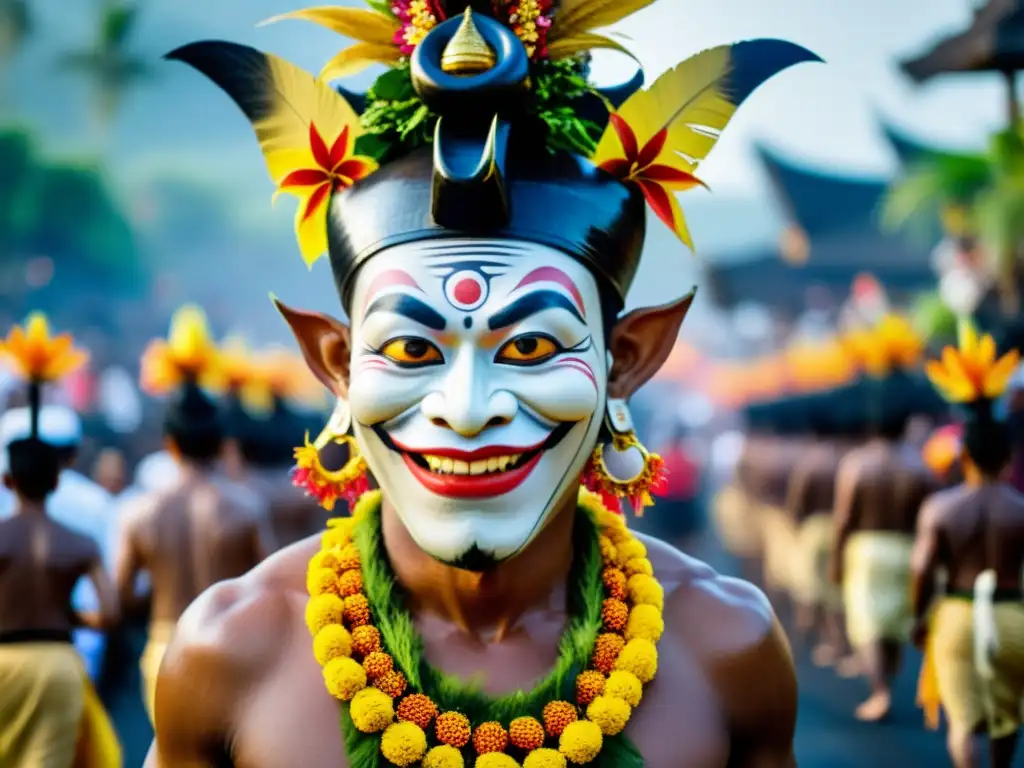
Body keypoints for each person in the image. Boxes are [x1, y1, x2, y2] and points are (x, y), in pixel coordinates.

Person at [148, 6, 816, 765]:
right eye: (409, 348)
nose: (465, 411)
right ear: (335, 361)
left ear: (628, 357)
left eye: (530, 346)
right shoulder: (232, 652)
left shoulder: (725, 645)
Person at [114, 305, 273, 723]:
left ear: (169, 443)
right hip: (231, 642)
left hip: (166, 647)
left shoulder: (140, 512)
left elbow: (123, 596)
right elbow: (270, 583)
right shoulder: (245, 507)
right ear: (222, 443)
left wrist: (159, 587)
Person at [0, 314, 121, 767]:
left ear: (7, 480)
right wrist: (67, 613)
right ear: (57, 478)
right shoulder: (78, 541)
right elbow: (108, 613)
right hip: (58, 664)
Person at [914, 328, 1024, 768]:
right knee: (1006, 721)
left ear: (964, 458)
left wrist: (919, 618)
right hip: (1014, 617)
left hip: (957, 617)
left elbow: (922, 569)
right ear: (1009, 459)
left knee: (962, 723)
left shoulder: (941, 508)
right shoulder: (1021, 509)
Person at [828, 372, 942, 721]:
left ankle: (880, 691)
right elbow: (933, 517)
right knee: (895, 622)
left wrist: (837, 559)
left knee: (868, 624)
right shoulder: (920, 465)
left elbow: (845, 518)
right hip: (908, 548)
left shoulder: (857, 464)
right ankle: (886, 684)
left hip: (867, 550)